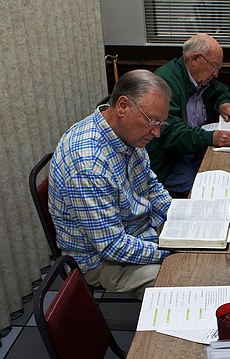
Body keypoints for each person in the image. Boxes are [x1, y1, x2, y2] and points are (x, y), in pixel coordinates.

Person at [49, 69, 172, 296]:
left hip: (138, 230)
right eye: (152, 121)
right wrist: (172, 252)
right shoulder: (88, 165)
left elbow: (151, 187)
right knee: (184, 279)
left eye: (161, 123)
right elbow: (112, 246)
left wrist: (181, 216)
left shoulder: (126, 133)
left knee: (208, 251)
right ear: (123, 106)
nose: (157, 133)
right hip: (103, 261)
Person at [147, 33, 230, 198]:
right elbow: (170, 133)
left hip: (192, 149)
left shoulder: (199, 77)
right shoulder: (165, 83)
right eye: (214, 67)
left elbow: (222, 91)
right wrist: (209, 138)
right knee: (212, 191)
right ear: (195, 59)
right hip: (169, 161)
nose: (216, 74)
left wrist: (224, 104)